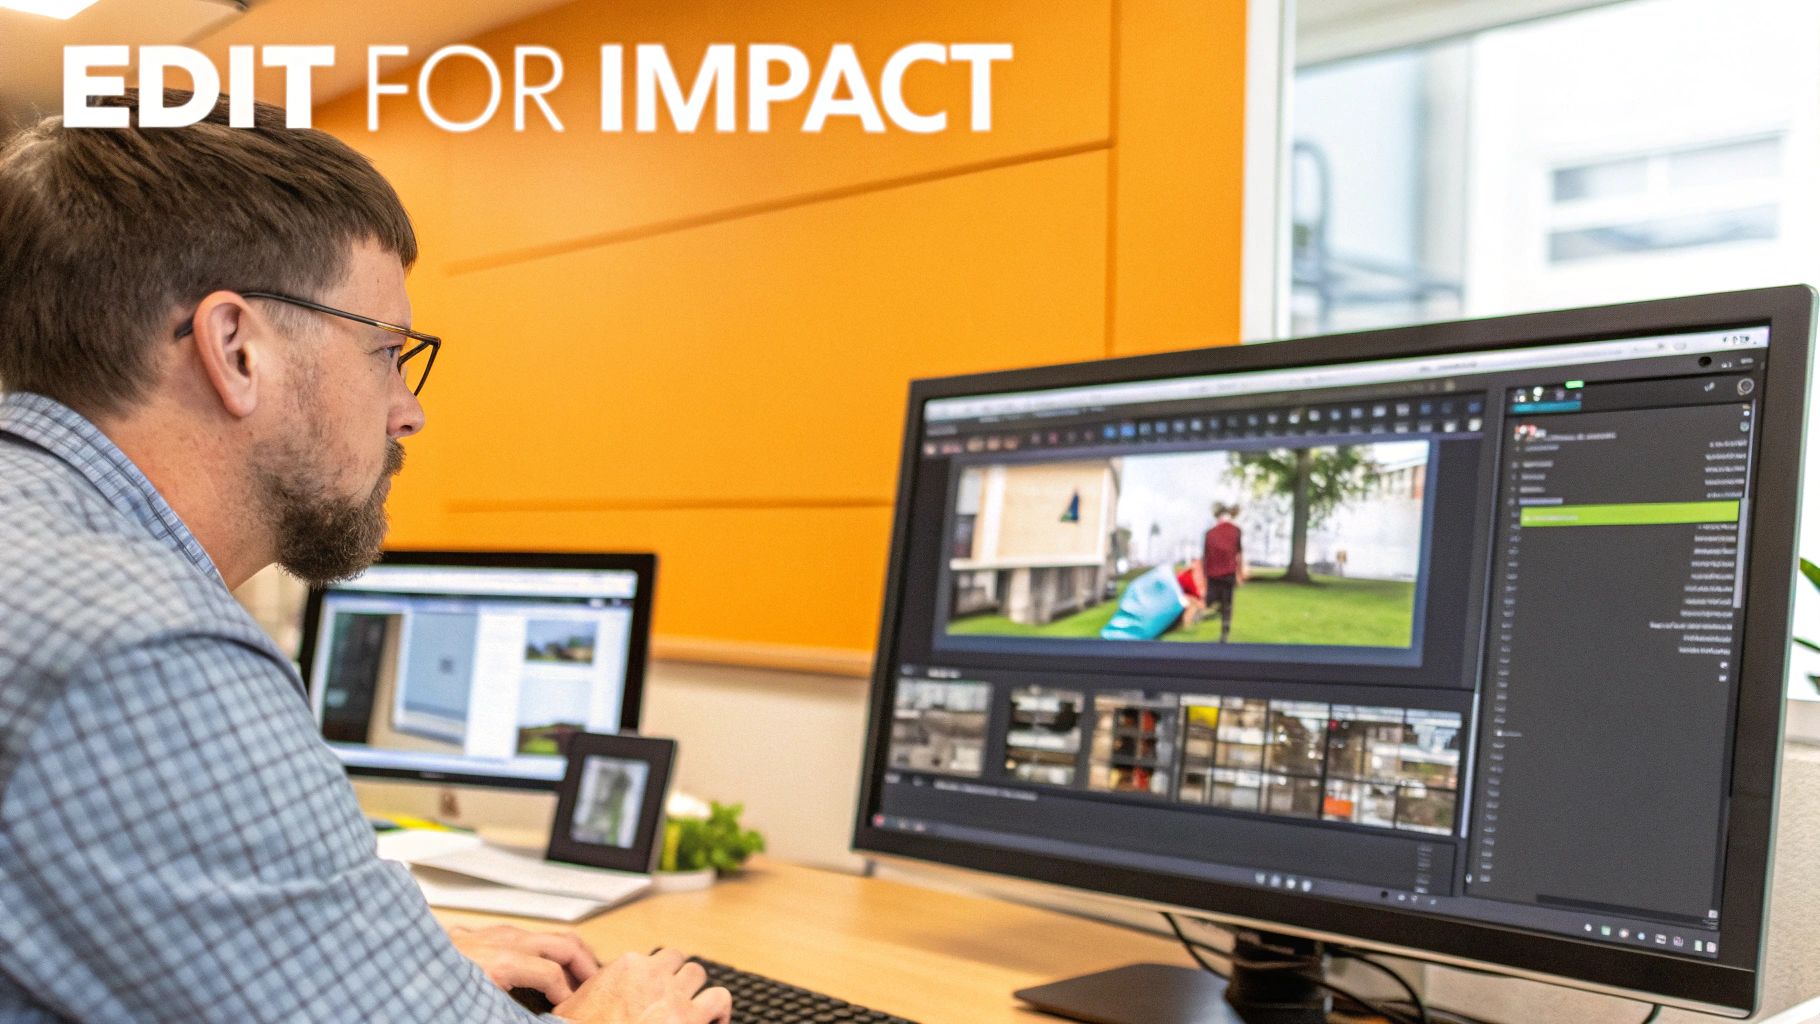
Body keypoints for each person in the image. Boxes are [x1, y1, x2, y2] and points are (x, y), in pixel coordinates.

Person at [0, 92, 730, 1024]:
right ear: (236, 349)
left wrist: (358, 951)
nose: (409, 409)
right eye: (387, 351)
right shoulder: (146, 644)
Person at [1200, 503, 1248, 642]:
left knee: (1211, 600)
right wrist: (1240, 574)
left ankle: (1215, 611)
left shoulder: (1209, 533)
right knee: (1227, 603)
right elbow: (1238, 554)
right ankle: (1224, 632)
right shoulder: (1236, 531)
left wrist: (1204, 576)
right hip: (1228, 573)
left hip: (1213, 573)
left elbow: (1205, 556)